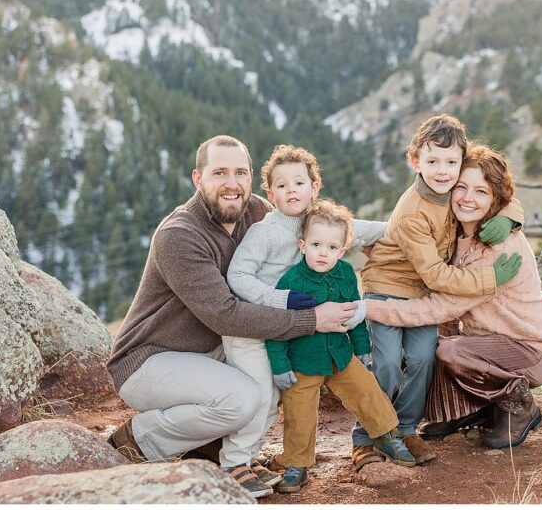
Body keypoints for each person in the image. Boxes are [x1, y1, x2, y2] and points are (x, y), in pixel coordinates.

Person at [104, 135, 359, 497]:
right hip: (150, 359)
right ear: (198, 179)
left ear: (252, 177)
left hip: (211, 352)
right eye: (219, 172)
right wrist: (312, 320)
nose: (232, 183)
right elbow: (226, 315)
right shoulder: (179, 236)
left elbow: (320, 228)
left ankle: (223, 454)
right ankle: (139, 439)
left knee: (272, 383)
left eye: (240, 172)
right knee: (242, 399)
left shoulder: (257, 212)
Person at [351, 114, 525, 469]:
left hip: (422, 297)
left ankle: (405, 428)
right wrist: (488, 279)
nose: (443, 171)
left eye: (451, 162)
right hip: (389, 286)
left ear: (461, 162)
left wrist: (509, 215)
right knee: (384, 362)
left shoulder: (456, 186)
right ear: (415, 162)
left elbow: (496, 189)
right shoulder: (413, 211)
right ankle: (366, 436)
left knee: (422, 358)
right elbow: (434, 274)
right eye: (432, 162)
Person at [363, 145, 542, 449]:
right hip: (486, 342)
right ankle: (466, 410)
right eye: (462, 187)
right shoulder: (454, 230)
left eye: (481, 192)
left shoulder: (498, 249)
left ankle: (519, 406)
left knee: (448, 351)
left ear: (496, 199)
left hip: (530, 349)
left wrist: (371, 309)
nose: (468, 198)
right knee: (432, 343)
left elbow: (441, 307)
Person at [221, 146, 385, 493]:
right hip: (252, 326)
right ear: (269, 194)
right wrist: (282, 299)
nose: (291, 190)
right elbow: (238, 276)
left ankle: (251, 459)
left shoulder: (322, 225)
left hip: (291, 330)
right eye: (281, 185)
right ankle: (234, 465)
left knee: (283, 393)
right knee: (263, 393)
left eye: (299, 182)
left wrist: (401, 230)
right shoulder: (264, 233)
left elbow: (369, 229)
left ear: (315, 187)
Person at [266, 199, 416, 493]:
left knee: (367, 391)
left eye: (332, 248)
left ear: (342, 250)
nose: (324, 253)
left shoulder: (346, 273)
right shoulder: (290, 280)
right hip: (303, 360)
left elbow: (354, 313)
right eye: (317, 245)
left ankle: (388, 435)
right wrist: (280, 365)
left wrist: (362, 346)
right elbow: (276, 326)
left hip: (340, 355)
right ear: (302, 245)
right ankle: (297, 465)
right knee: (299, 412)